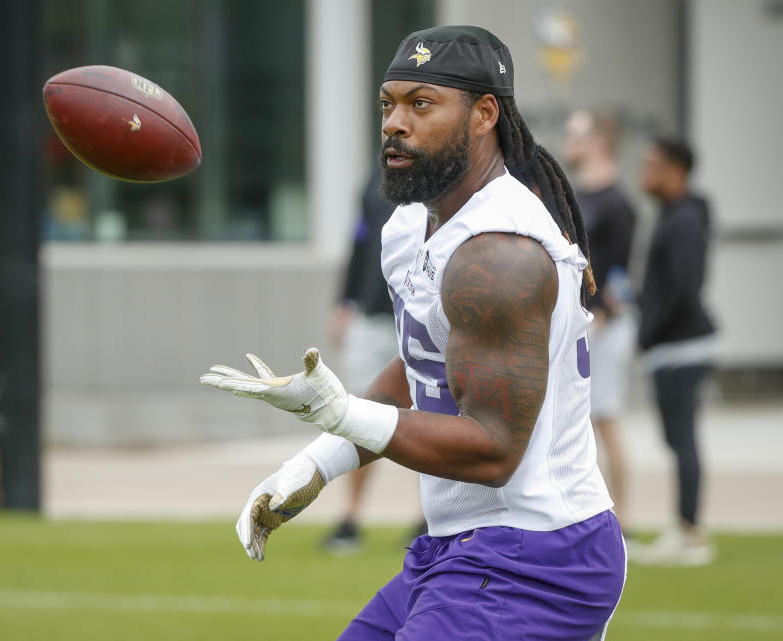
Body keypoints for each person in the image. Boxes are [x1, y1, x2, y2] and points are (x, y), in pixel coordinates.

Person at [201, 26, 625, 639]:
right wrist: (319, 461)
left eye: (421, 104)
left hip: (537, 553)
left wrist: (340, 413)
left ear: (484, 114)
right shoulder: (408, 227)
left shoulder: (498, 253)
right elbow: (427, 363)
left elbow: (495, 450)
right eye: (387, 104)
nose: (394, 123)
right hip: (464, 545)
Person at [322, 166, 421, 554]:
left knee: (427, 418)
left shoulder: (444, 173)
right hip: (371, 315)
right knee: (361, 418)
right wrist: (345, 302)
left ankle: (426, 519)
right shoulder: (373, 177)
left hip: (418, 315)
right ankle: (351, 518)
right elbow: (360, 242)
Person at [631, 137, 717, 566]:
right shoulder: (675, 214)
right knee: (678, 437)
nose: (644, 172)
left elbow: (686, 288)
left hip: (681, 346)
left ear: (676, 171)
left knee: (682, 438)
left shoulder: (683, 219)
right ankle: (686, 526)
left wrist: (649, 329)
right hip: (672, 345)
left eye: (652, 164)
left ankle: (690, 531)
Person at [562, 110, 637, 534]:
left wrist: (604, 315)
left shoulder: (617, 202)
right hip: (578, 322)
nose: (568, 141)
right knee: (578, 422)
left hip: (602, 325)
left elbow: (623, 272)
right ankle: (586, 511)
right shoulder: (578, 195)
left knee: (605, 420)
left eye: (576, 135)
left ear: (597, 143)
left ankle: (620, 517)